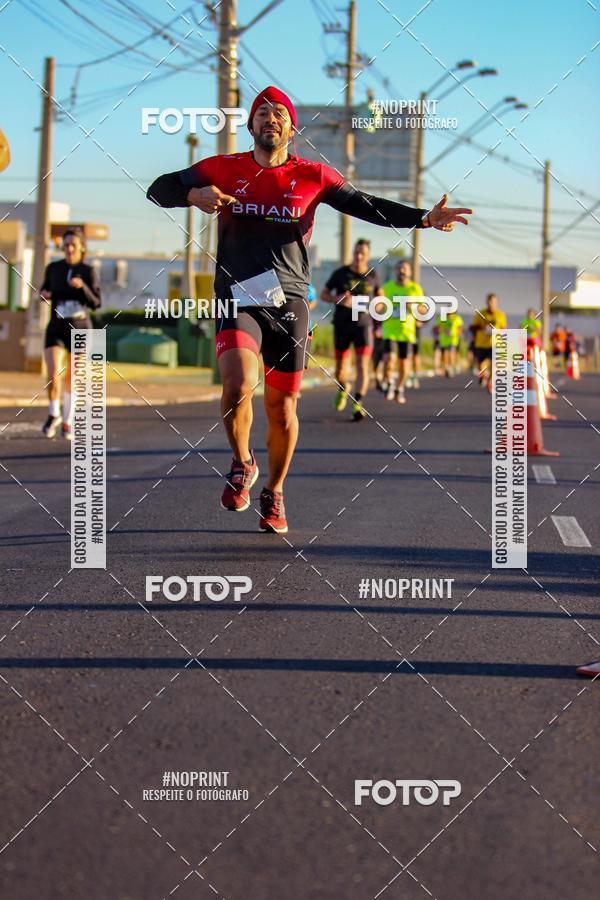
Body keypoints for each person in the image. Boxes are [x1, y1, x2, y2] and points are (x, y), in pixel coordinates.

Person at [147, 85, 472, 533]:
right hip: (237, 295)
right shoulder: (221, 168)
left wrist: (423, 218)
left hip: (290, 301)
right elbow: (157, 188)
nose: (270, 118)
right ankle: (242, 462)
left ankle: (274, 491)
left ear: (292, 128)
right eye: (261, 112)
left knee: (282, 408)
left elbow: (368, 206)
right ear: (250, 125)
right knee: (238, 382)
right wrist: (193, 196)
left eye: (279, 113)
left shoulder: (313, 176)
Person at [39, 228, 101, 439]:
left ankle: (67, 422)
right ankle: (53, 413)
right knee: (53, 372)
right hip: (56, 326)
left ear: (82, 247)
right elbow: (44, 290)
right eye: (66, 245)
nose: (69, 249)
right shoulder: (53, 268)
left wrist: (82, 286)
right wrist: (44, 294)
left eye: (73, 245)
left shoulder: (88, 271)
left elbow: (96, 303)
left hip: (80, 328)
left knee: (71, 378)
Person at [321, 238, 381, 421]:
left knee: (363, 365)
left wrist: (370, 306)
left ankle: (358, 403)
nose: (358, 256)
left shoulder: (373, 275)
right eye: (356, 252)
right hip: (342, 324)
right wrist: (338, 298)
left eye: (362, 253)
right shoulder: (340, 273)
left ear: (368, 256)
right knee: (340, 370)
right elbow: (324, 294)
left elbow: (381, 302)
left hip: (363, 325)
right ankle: (343, 387)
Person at [380, 260, 424, 404]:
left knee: (404, 365)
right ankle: (391, 383)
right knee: (389, 360)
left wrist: (413, 307)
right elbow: (378, 307)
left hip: (407, 332)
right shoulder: (387, 287)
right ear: (395, 271)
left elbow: (424, 310)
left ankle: (399, 388)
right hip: (389, 331)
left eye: (404, 268)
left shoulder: (415, 289)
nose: (401, 271)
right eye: (399, 268)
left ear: (410, 272)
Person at [470, 293, 507, 390]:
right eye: (490, 301)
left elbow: (504, 328)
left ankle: (490, 383)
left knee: (492, 363)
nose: (492, 304)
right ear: (487, 302)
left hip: (495, 343)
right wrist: (483, 327)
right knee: (481, 365)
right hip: (481, 343)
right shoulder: (481, 314)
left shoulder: (500, 315)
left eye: (494, 302)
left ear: (497, 303)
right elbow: (472, 327)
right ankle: (483, 375)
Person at [438, 309, 464, 376]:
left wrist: (456, 333)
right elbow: (439, 327)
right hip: (444, 340)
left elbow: (460, 328)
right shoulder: (443, 318)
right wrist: (443, 330)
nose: (450, 313)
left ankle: (452, 367)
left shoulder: (457, 318)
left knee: (452, 353)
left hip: (453, 340)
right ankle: (447, 367)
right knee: (445, 354)